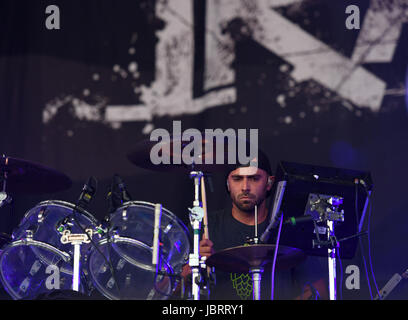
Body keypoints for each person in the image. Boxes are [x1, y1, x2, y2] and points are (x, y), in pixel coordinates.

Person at [182, 149, 328, 300]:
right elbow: (168, 290)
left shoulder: (290, 228)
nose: (245, 187)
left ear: (270, 182)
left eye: (254, 178)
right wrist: (191, 268)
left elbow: (318, 292)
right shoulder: (206, 227)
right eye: (237, 179)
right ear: (228, 183)